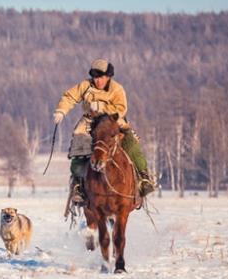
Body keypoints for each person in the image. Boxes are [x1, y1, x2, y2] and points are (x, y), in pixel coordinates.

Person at [53, 59, 154, 206]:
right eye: (95, 77)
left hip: (113, 121)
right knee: (79, 146)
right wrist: (61, 111)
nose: (97, 80)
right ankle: (78, 185)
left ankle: (144, 177)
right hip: (89, 122)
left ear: (108, 77)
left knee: (131, 143)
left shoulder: (117, 89)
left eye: (101, 77)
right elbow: (70, 97)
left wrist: (102, 108)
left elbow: (121, 108)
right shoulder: (85, 86)